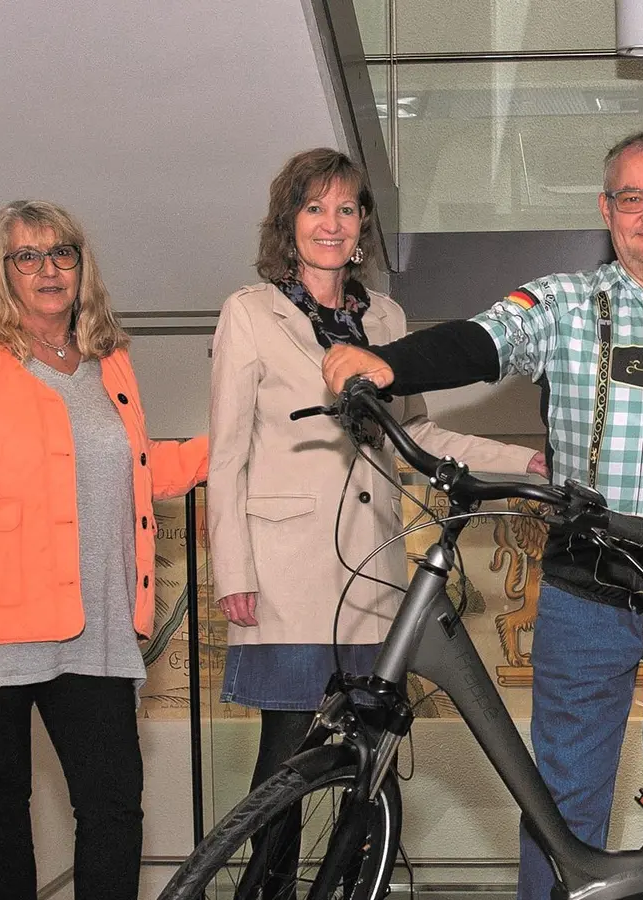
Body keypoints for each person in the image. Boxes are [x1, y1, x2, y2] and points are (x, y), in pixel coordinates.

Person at [319, 130, 643, 900]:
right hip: (585, 593)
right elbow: (483, 342)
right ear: (607, 210)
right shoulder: (562, 304)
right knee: (561, 803)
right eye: (633, 197)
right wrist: (390, 364)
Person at [206, 147, 547, 860]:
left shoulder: (386, 317)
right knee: (285, 767)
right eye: (314, 208)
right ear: (288, 222)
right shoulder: (250, 313)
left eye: (345, 208)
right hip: (286, 576)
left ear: (362, 226)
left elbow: (417, 433)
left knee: (371, 763)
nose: (331, 223)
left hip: (374, 573)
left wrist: (524, 461)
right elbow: (228, 454)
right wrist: (233, 570)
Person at [0, 200, 209, 900]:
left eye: (62, 253)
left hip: (94, 625)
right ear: (0, 271)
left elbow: (129, 467)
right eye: (26, 257)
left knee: (113, 804)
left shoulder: (109, 362)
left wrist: (224, 448)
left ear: (82, 266)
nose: (48, 270)